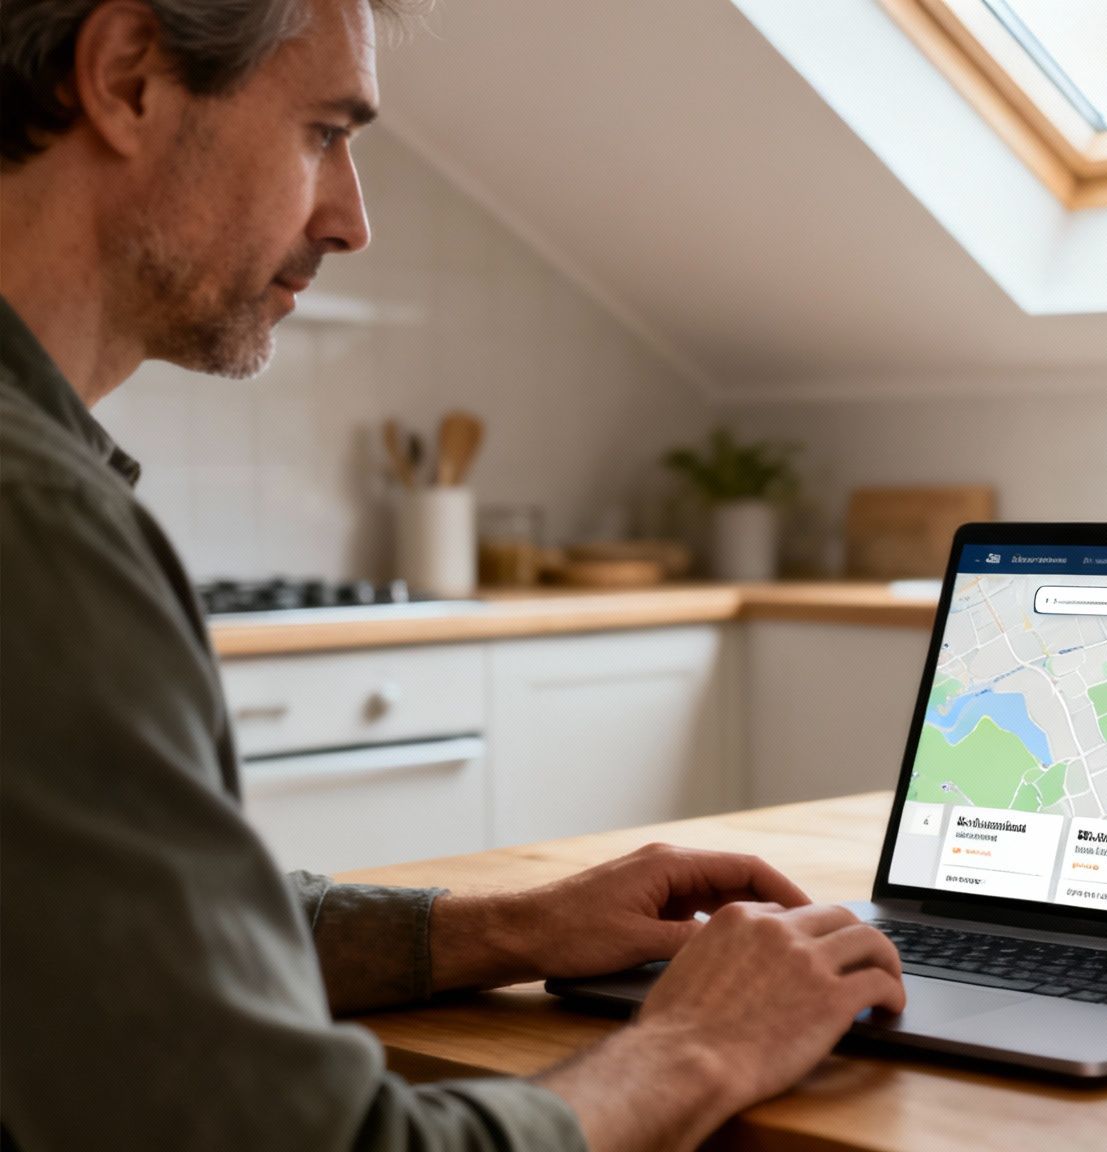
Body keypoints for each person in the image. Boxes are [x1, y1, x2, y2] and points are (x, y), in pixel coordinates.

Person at [0, 1, 905, 1148]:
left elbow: (114, 937)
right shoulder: (36, 526)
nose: (352, 219)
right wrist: (697, 1043)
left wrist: (513, 928)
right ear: (127, 78)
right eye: (325, 132)